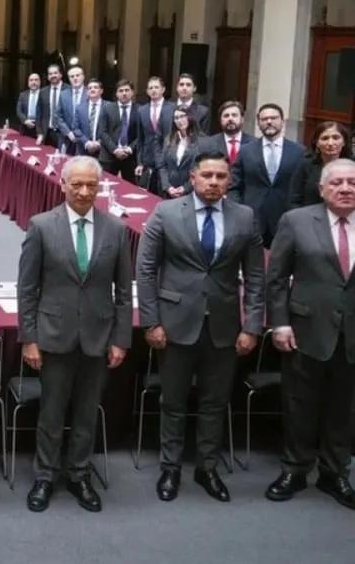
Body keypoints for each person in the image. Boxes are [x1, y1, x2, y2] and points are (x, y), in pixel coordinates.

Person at [136, 150, 265, 503]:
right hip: (175, 323)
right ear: (192, 177)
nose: (213, 182)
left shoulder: (244, 216)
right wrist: (150, 321)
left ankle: (207, 467)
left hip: (224, 325)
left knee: (214, 402)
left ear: (229, 180)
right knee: (173, 401)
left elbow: (256, 276)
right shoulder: (165, 212)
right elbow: (145, 270)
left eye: (220, 176)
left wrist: (252, 325)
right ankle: (170, 467)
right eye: (206, 175)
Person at [17, 156, 132, 513]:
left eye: (91, 186)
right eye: (77, 184)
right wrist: (29, 338)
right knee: (52, 413)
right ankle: (45, 475)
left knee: (85, 413)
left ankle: (80, 473)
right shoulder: (40, 226)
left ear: (99, 188)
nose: (84, 192)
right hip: (54, 335)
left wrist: (121, 339)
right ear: (63, 184)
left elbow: (124, 292)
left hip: (98, 338)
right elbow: (27, 289)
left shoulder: (115, 229)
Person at [264, 158, 355, 510]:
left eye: (352, 182)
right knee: (300, 404)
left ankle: (335, 472)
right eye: (338, 183)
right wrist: (280, 322)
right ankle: (296, 469)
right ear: (322, 188)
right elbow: (276, 279)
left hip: (351, 333)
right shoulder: (297, 221)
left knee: (344, 408)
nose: (346, 188)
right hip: (304, 330)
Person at [228, 103, 305, 245]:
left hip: (286, 219)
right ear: (258, 123)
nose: (269, 122)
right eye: (264, 119)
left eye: (274, 118)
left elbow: (302, 187)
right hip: (252, 219)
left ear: (282, 121)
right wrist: (239, 211)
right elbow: (233, 185)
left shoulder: (299, 151)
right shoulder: (246, 151)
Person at [287, 121, 352, 209]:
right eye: (325, 138)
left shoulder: (352, 166)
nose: (330, 143)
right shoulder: (305, 165)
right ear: (317, 143)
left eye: (336, 138)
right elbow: (294, 199)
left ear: (344, 142)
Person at [156, 105, 202, 199]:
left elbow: (201, 169)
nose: (179, 120)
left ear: (190, 117)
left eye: (182, 116)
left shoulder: (202, 140)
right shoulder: (169, 139)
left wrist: (186, 188)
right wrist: (167, 186)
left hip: (191, 193)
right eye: (176, 118)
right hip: (169, 192)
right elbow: (162, 166)